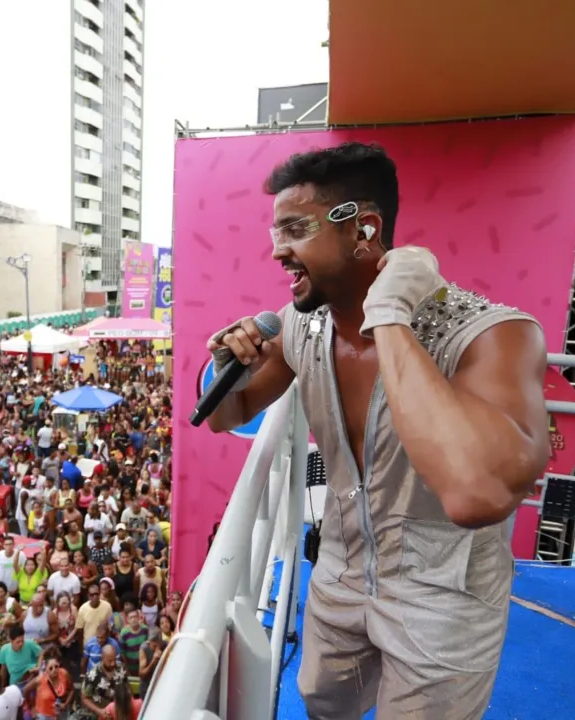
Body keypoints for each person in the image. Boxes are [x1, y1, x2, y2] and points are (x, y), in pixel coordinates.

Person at [204, 143, 550, 719]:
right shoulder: (299, 327)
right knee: (320, 702)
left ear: (363, 226)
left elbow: (476, 494)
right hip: (338, 577)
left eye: (294, 229)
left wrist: (388, 314)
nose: (277, 251)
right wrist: (224, 364)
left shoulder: (496, 335)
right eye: (275, 233)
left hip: (445, 603)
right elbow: (225, 415)